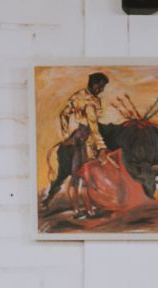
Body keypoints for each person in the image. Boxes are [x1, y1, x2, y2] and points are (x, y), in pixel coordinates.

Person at [49, 71, 110, 219]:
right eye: (100, 86)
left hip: (89, 138)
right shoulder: (83, 99)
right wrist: (66, 137)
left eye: (103, 87)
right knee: (79, 175)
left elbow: (94, 126)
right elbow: (65, 114)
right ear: (94, 83)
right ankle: (78, 210)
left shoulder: (94, 99)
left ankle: (88, 208)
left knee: (87, 175)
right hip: (82, 139)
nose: (101, 89)